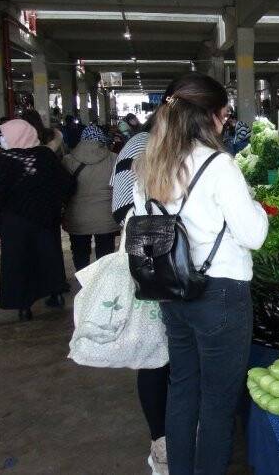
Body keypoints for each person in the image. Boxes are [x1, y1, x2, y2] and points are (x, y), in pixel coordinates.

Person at [133, 73, 268, 475]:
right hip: (220, 294)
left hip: (171, 290)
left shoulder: (149, 164)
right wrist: (256, 207)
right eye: (224, 115)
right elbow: (254, 235)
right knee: (218, 403)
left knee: (182, 389)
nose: (225, 123)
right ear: (208, 116)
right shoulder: (218, 165)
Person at [108, 106, 171, 474]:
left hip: (158, 261)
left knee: (166, 354)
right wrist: (156, 235)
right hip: (153, 262)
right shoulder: (142, 146)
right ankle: (161, 443)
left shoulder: (152, 144)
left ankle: (170, 438)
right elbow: (121, 207)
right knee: (155, 353)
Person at [0, 119, 73, 320]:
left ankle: (24, 307)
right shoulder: (46, 155)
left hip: (16, 222)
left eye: (4, 136)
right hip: (46, 218)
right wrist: (57, 204)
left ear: (16, 136)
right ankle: (56, 294)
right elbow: (67, 183)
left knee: (19, 262)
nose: (1, 139)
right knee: (49, 257)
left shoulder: (4, 160)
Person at [62, 124, 120, 271]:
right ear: (102, 139)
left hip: (77, 217)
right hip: (106, 217)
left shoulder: (68, 160)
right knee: (105, 256)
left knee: (80, 253)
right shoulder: (114, 159)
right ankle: (101, 281)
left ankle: (83, 281)